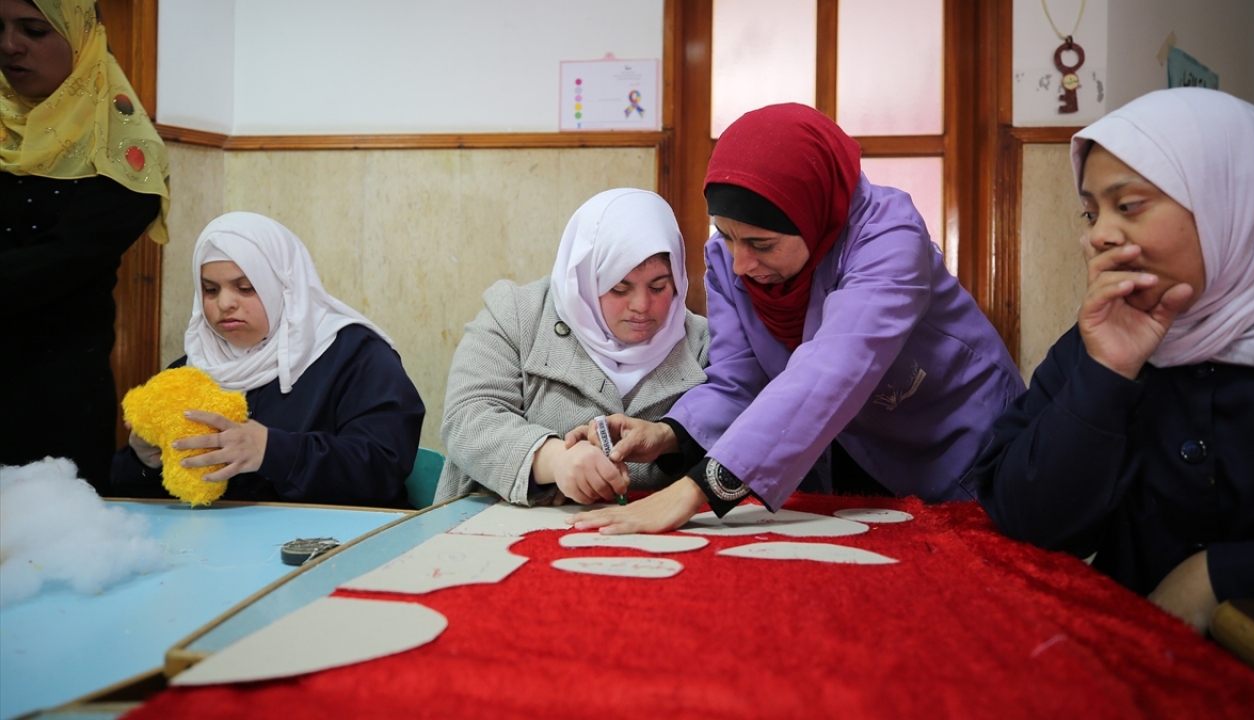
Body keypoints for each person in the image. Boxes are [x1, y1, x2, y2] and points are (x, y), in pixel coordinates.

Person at [568, 104, 1024, 534]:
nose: (740, 263)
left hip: (953, 448)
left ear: (812, 216)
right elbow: (738, 381)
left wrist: (697, 489)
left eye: (761, 244)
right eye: (726, 235)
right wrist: (669, 433)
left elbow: (835, 366)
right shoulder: (728, 259)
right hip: (845, 455)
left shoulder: (888, 237)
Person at [973, 88, 1254, 633]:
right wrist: (1106, 372)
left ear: (1229, 198)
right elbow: (1026, 524)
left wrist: (1218, 575)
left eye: (1128, 205)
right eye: (1090, 213)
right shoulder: (1093, 341)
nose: (1099, 236)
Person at [111, 212, 425, 508]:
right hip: (224, 551)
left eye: (245, 287)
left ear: (285, 287)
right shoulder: (192, 369)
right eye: (210, 290)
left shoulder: (356, 355)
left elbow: (383, 466)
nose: (225, 303)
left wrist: (273, 451)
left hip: (340, 546)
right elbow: (142, 499)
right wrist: (142, 461)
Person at [434, 188, 710, 506]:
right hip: (497, 525)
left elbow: (734, 436)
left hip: (657, 531)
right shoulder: (518, 315)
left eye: (659, 286)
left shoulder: (701, 343)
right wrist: (553, 459)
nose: (642, 305)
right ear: (585, 279)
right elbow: (468, 417)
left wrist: (669, 440)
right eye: (620, 287)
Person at [1, 0, 170, 492]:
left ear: (82, 41)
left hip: (52, 403)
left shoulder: (122, 152)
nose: (9, 45)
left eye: (33, 29)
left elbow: (61, 262)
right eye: (0, 27)